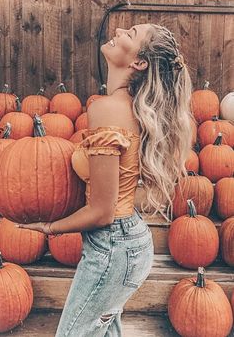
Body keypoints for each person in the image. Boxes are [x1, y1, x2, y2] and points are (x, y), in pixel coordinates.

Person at [18, 23, 193, 336]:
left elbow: (102, 212)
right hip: (123, 244)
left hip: (114, 246)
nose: (119, 28)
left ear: (138, 62)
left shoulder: (109, 109)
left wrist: (48, 228)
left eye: (131, 33)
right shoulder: (123, 107)